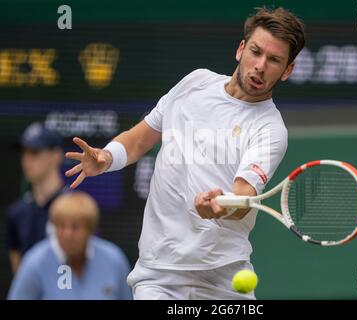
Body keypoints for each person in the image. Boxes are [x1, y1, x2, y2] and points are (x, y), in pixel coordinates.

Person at [64, 7, 305, 299]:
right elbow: (139, 140)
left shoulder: (270, 129)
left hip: (224, 276)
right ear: (241, 49)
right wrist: (106, 158)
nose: (260, 66)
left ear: (287, 70)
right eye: (256, 51)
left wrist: (219, 207)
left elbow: (242, 197)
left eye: (274, 60)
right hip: (158, 274)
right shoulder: (195, 83)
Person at [7, 191, 132, 300]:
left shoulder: (114, 260)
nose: (68, 234)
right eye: (61, 226)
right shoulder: (35, 262)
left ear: (90, 229)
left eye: (75, 227)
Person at [6, 122, 68, 274]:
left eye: (35, 152)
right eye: (24, 152)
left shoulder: (75, 207)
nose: (26, 160)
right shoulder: (16, 212)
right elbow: (20, 275)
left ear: (56, 155)